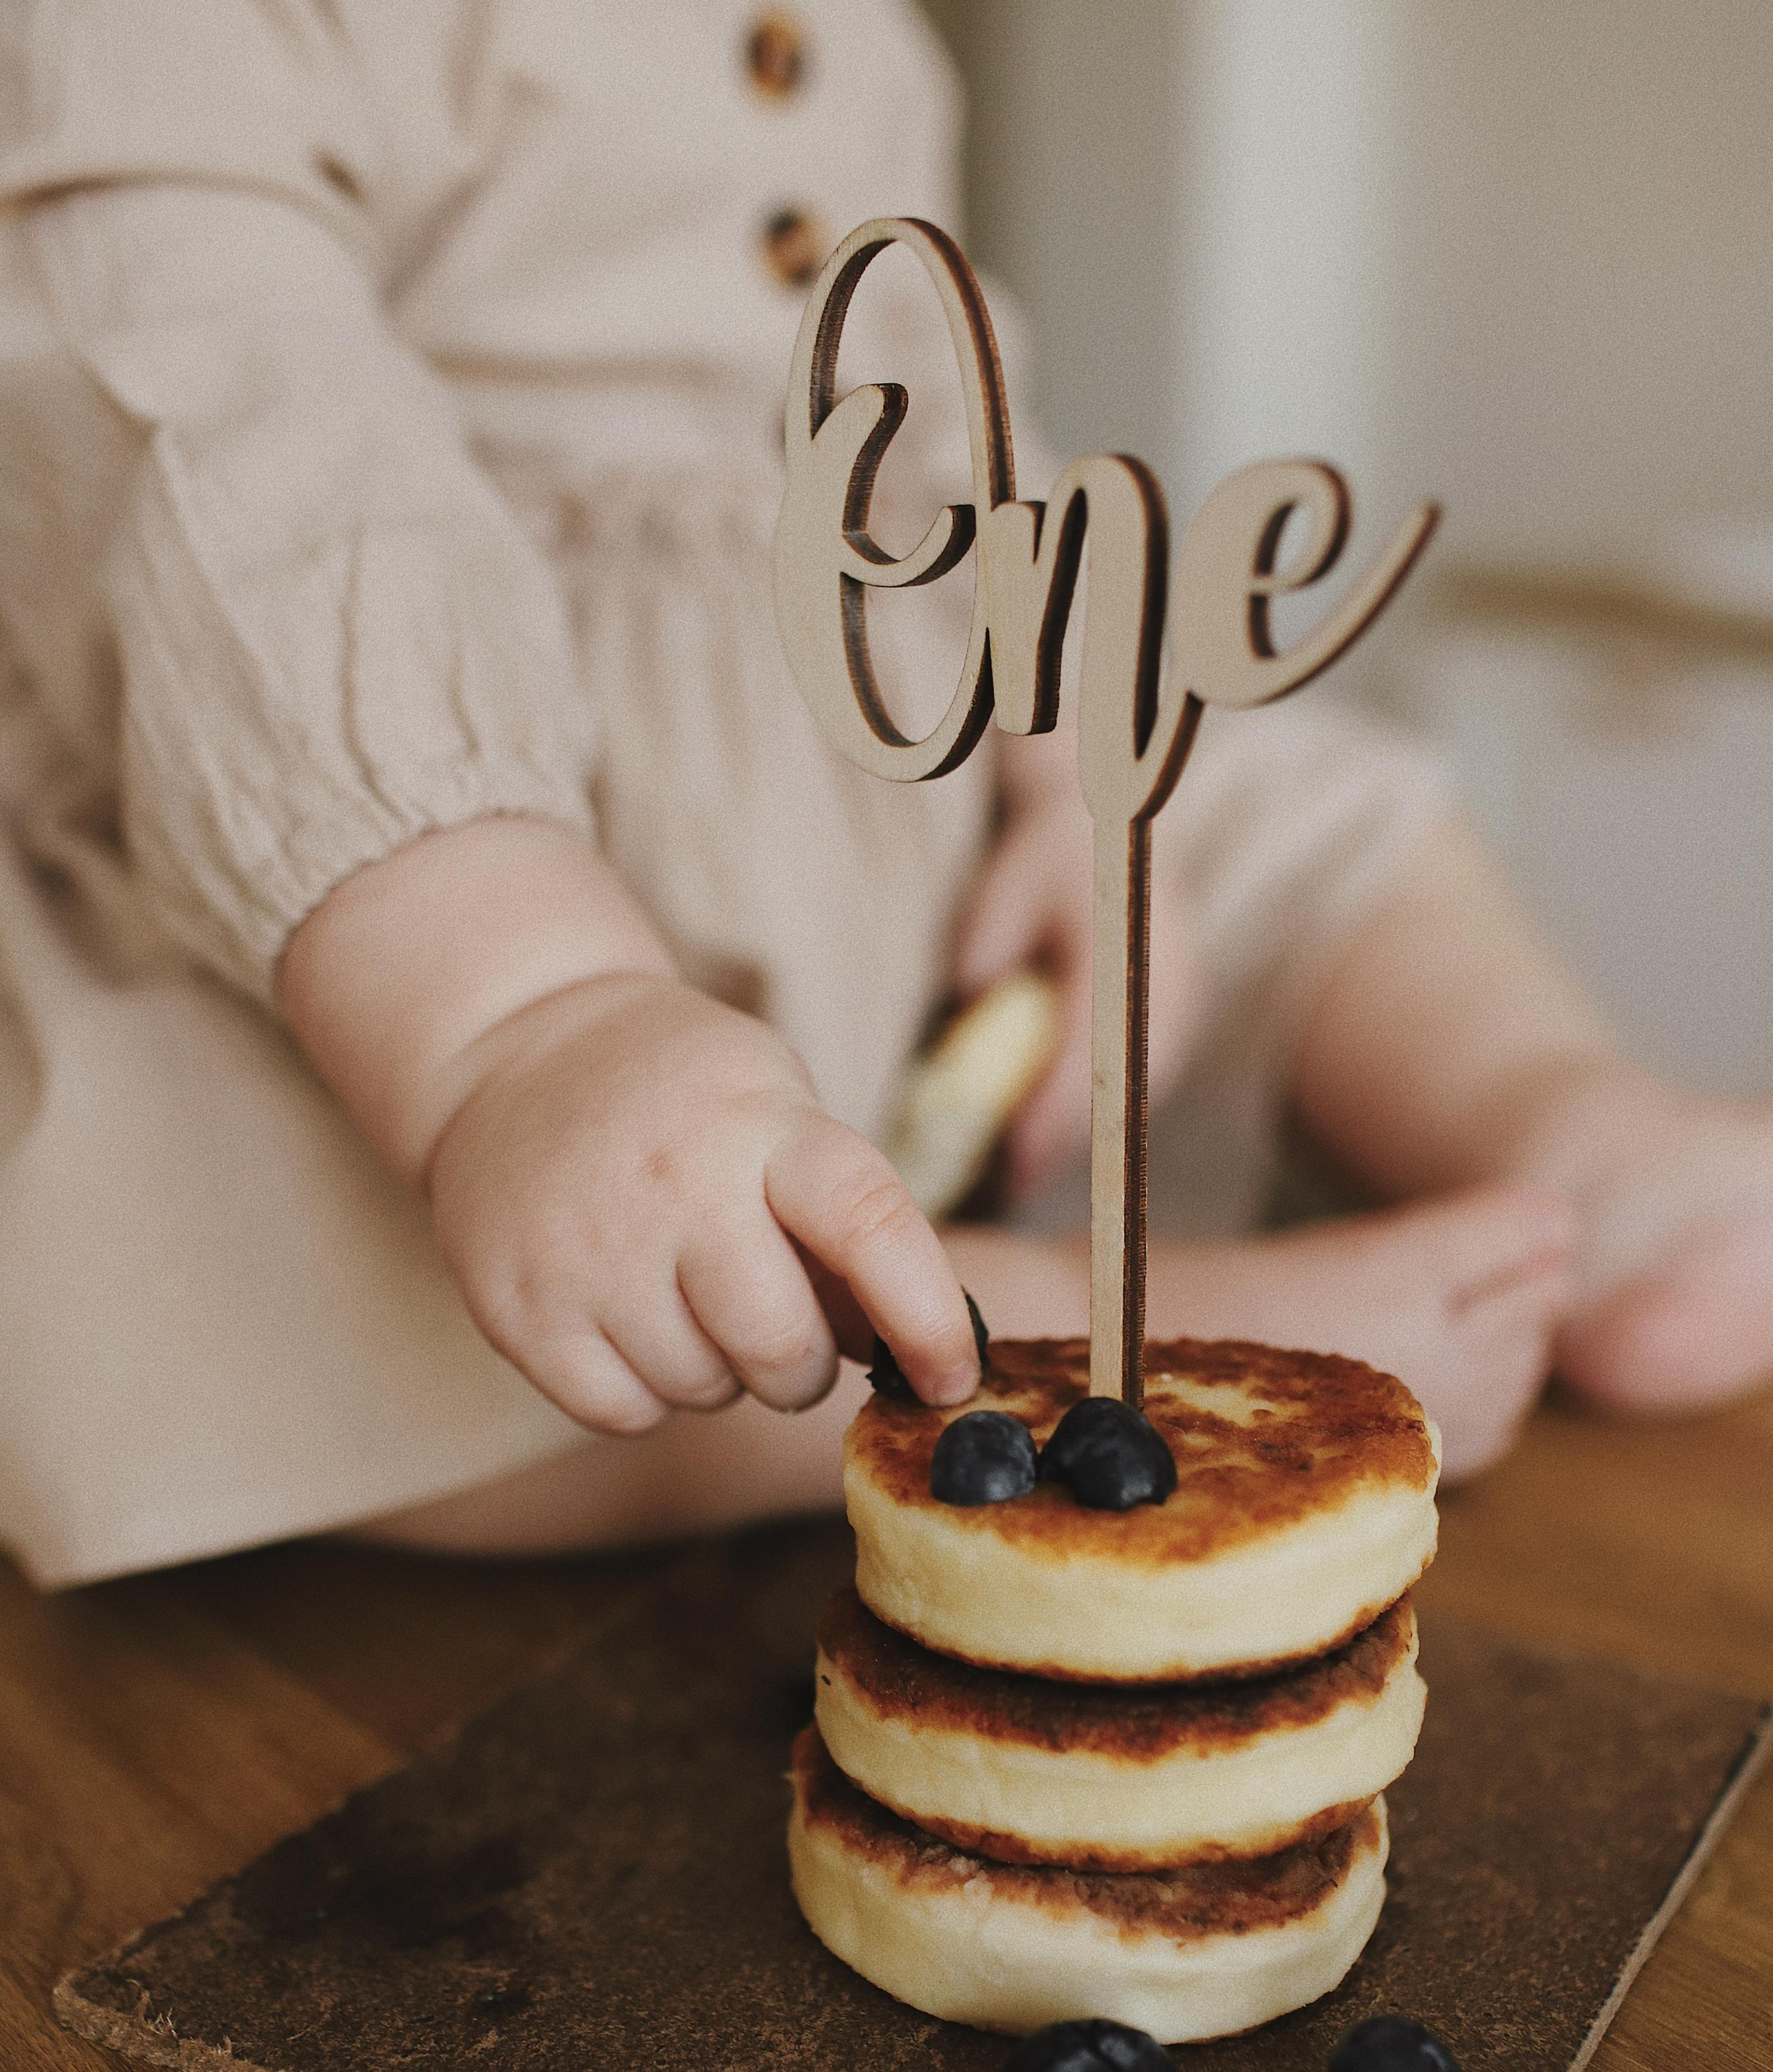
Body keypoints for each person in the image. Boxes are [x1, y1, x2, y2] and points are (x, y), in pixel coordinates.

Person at [0, 1, 1767, 1590]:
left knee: (1250, 781)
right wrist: (517, 1015)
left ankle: (1553, 1127)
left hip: (864, 718)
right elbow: (216, 452)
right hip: (398, 823)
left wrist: (1073, 754)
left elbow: (946, 427)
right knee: (294, 1248)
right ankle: (1081, 1343)